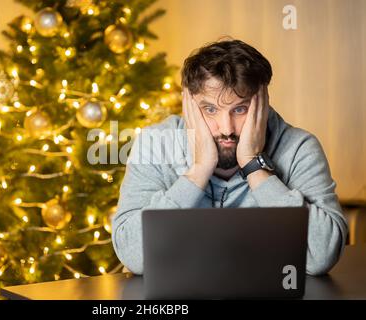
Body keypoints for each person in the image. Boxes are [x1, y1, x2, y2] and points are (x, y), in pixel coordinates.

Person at [111, 39, 348, 276]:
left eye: (240, 109)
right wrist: (198, 172)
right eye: (210, 109)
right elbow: (133, 256)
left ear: (262, 103)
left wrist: (254, 165)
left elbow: (320, 256)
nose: (227, 128)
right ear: (188, 105)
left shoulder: (298, 148)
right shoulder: (155, 144)